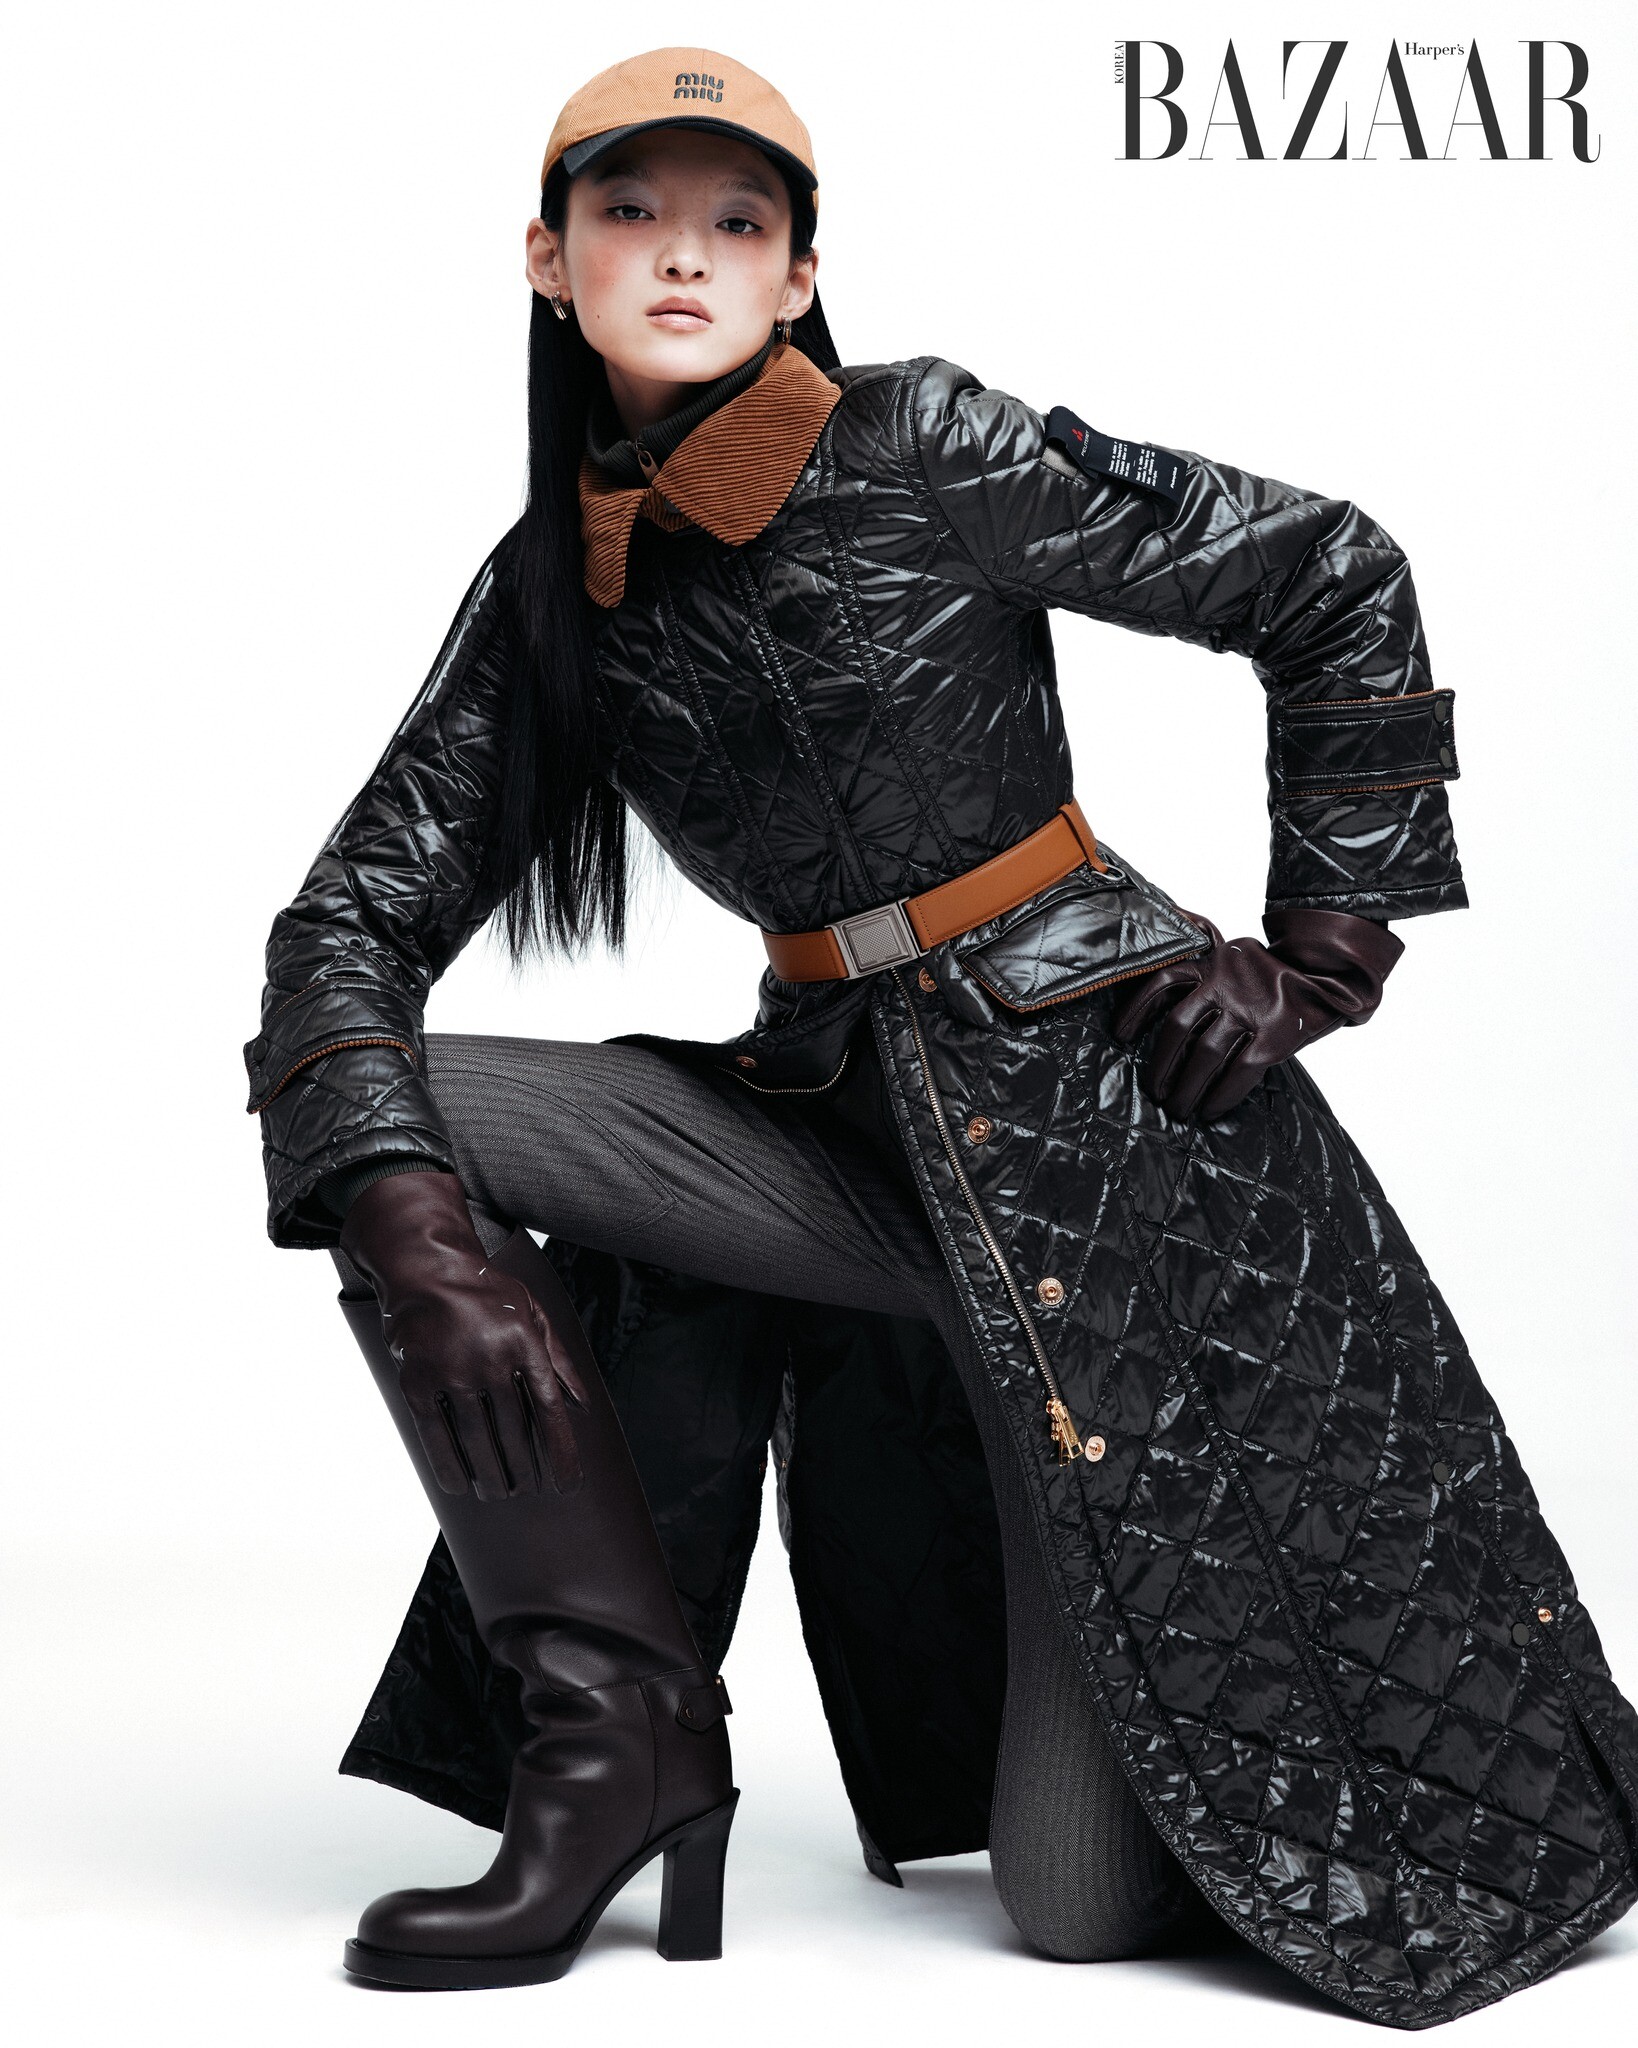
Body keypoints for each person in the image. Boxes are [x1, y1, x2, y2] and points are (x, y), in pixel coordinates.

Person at [245, 45, 1638, 2021]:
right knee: (395, 1125)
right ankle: (616, 1746)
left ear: (797, 275)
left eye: (736, 221)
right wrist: (414, 1240)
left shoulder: (919, 441)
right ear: (548, 261)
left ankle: (1060, 1532)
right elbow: (351, 919)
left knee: (1072, 1910)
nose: (682, 255)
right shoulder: (553, 587)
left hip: (1113, 1147)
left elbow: (1326, 571)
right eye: (630, 213)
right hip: (833, 1125)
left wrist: (1320, 949)